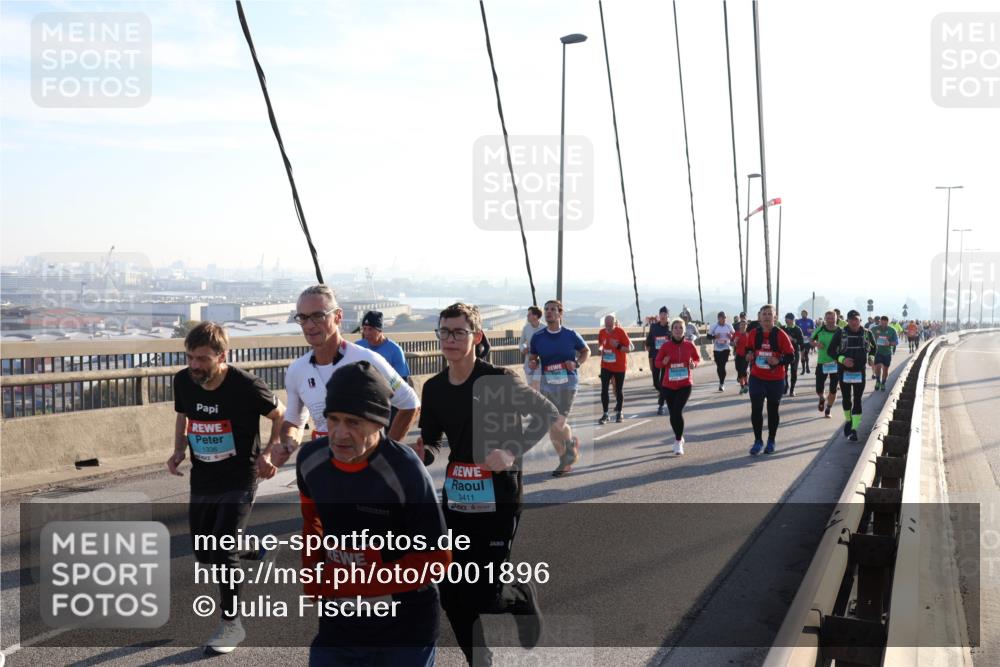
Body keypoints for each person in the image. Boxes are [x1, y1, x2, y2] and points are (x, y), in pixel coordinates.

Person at [418, 302, 557, 666]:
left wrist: (511, 452)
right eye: (444, 331)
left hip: (499, 499)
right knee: (450, 592)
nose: (449, 339)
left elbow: (546, 413)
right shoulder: (433, 389)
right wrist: (423, 454)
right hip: (457, 499)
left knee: (484, 595)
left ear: (476, 337)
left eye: (458, 332)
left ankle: (520, 596)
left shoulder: (497, 380)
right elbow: (433, 441)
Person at [297, 361, 450, 666]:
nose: (340, 433)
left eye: (354, 422)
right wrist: (313, 575)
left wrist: (353, 581)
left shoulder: (404, 470)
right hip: (339, 624)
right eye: (334, 419)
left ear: (379, 423)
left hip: (404, 629)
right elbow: (311, 521)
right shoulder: (311, 460)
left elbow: (438, 560)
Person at [168, 322, 284, 654]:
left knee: (222, 552)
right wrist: (178, 450)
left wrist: (269, 452)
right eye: (190, 357)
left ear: (222, 356)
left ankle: (231, 625)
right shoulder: (183, 380)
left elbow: (280, 415)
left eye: (202, 359)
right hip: (204, 477)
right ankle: (251, 547)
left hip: (240, 476)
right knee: (205, 551)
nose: (194, 365)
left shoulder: (247, 385)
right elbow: (182, 416)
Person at [262, 285, 420, 473]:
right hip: (324, 467)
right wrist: (287, 444)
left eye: (318, 316)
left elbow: (410, 403)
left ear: (338, 316)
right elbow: (294, 422)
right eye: (303, 318)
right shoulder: (297, 369)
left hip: (367, 469)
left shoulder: (368, 360)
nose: (310, 325)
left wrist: (386, 454)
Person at [528, 299, 590, 476]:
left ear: (560, 313)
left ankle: (567, 456)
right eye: (546, 309)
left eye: (553, 309)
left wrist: (576, 363)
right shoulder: (538, 337)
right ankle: (566, 457)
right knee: (552, 425)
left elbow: (586, 351)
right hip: (548, 385)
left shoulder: (570, 334)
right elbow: (533, 357)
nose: (549, 312)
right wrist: (533, 363)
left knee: (558, 422)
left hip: (568, 384)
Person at [736, 304, 796, 455]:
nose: (767, 317)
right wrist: (749, 355)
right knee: (756, 409)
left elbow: (791, 356)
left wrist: (778, 361)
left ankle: (771, 440)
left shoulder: (780, 335)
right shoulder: (754, 333)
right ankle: (758, 441)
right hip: (757, 377)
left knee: (772, 410)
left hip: (776, 379)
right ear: (759, 317)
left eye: (770, 314)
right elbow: (749, 349)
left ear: (775, 317)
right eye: (764, 314)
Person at [827, 309, 876, 442]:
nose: (854, 322)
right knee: (847, 399)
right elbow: (830, 351)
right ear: (847, 321)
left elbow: (873, 348)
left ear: (860, 320)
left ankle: (854, 429)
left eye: (857, 319)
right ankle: (848, 420)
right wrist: (843, 360)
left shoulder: (867, 333)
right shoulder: (840, 333)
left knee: (858, 400)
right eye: (851, 320)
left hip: (860, 371)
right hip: (844, 372)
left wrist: (871, 357)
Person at [654, 318, 700, 455]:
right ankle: (678, 436)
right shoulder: (665, 346)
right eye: (676, 328)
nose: (678, 330)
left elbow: (697, 358)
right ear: (671, 330)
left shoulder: (689, 345)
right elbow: (657, 363)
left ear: (684, 330)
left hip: (685, 384)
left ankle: (678, 441)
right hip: (668, 385)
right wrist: (663, 362)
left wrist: (694, 364)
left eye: (681, 328)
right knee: (673, 414)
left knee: (677, 411)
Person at [598, 314, 634, 423]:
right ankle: (605, 414)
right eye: (606, 324)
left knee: (618, 390)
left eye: (610, 324)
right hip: (606, 365)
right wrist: (600, 349)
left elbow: (628, 349)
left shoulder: (620, 332)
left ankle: (619, 412)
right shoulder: (602, 332)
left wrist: (617, 346)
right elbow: (601, 344)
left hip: (619, 366)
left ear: (614, 323)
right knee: (604, 390)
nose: (608, 327)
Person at [355, 310, 410, 381]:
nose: (367, 333)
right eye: (364, 329)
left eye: (370, 329)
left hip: (387, 390)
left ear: (380, 330)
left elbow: (403, 380)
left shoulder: (395, 350)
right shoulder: (358, 346)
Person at [811, 310, 842, 419]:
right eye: (828, 318)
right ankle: (822, 398)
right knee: (819, 389)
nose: (830, 320)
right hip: (822, 362)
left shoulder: (840, 331)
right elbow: (811, 340)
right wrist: (816, 344)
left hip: (835, 363)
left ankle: (828, 408)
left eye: (832, 318)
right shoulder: (820, 329)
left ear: (836, 318)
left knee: (833, 389)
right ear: (825, 318)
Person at [645, 307, 671, 415]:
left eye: (665, 314)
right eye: (661, 314)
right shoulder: (654, 327)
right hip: (656, 357)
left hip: (667, 360)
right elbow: (650, 341)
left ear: (668, 316)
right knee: (656, 383)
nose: (663, 316)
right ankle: (665, 394)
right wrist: (649, 356)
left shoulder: (671, 328)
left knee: (662, 382)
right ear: (659, 316)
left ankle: (660, 405)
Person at [707, 311, 735, 392]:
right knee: (719, 367)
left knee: (722, 366)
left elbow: (735, 335)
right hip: (717, 349)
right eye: (722, 317)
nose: (724, 319)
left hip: (726, 348)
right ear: (718, 318)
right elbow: (708, 336)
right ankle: (721, 381)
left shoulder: (729, 326)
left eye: (725, 317)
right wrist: (714, 336)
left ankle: (721, 383)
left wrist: (731, 336)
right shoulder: (714, 326)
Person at [870, 315, 898, 391]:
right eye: (882, 323)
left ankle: (883, 383)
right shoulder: (874, 329)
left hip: (887, 352)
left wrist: (889, 343)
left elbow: (896, 342)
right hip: (877, 352)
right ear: (880, 322)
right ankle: (878, 381)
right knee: (877, 367)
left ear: (888, 323)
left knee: (885, 369)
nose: (884, 325)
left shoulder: (892, 330)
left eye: (885, 324)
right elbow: (867, 338)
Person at [520, 306, 545, 391]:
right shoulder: (526, 328)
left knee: (536, 382)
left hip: (541, 361)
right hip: (529, 361)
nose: (527, 316)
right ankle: (535, 402)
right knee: (531, 385)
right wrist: (523, 348)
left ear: (535, 316)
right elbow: (521, 343)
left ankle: (539, 402)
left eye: (529, 314)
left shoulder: (545, 328)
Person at [781, 313, 805, 396]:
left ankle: (792, 390)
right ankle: (785, 386)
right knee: (784, 371)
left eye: (787, 319)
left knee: (794, 371)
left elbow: (801, 342)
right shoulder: (783, 328)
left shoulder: (797, 329)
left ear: (792, 320)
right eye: (785, 318)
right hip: (784, 353)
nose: (786, 320)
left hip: (795, 353)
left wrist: (793, 339)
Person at [731, 319, 750, 394]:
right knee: (738, 369)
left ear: (746, 326)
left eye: (744, 325)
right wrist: (734, 342)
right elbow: (731, 343)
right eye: (741, 325)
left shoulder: (748, 335)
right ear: (739, 326)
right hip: (738, 354)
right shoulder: (736, 334)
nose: (742, 326)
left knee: (743, 370)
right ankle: (743, 386)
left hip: (745, 355)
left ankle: (745, 384)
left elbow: (751, 345)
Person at [795, 310, 816, 374]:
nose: (803, 315)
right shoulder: (798, 321)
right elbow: (795, 329)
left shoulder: (810, 321)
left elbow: (815, 329)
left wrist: (811, 330)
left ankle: (807, 366)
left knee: (806, 353)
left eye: (804, 314)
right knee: (802, 355)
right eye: (802, 314)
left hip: (808, 339)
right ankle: (803, 369)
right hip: (801, 340)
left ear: (807, 314)